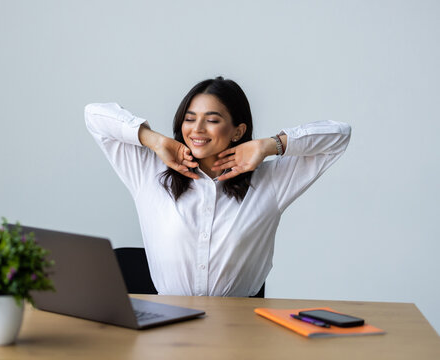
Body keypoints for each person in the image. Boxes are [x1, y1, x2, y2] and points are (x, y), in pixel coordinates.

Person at [85, 76, 351, 297]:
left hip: (240, 330)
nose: (197, 129)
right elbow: (94, 115)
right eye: (190, 119)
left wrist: (269, 145)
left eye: (212, 120)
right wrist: (153, 140)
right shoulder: (148, 171)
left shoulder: (270, 181)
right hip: (167, 328)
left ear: (237, 131)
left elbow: (339, 136)